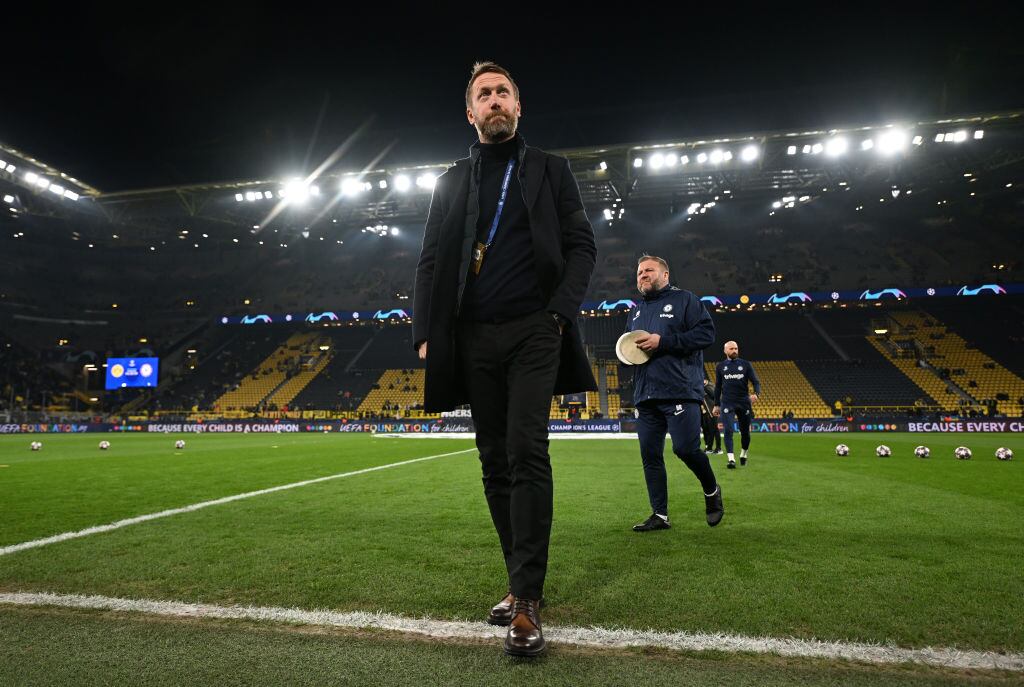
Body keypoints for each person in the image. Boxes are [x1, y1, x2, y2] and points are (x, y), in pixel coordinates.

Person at [412, 61, 597, 657]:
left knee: (525, 449)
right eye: (484, 94)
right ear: (471, 113)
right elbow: (430, 262)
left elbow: (581, 245)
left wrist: (559, 313)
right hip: (471, 336)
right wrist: (425, 332)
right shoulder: (449, 182)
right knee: (493, 460)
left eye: (503, 92)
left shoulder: (549, 169)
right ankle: (518, 584)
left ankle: (528, 602)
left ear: (518, 106)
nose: (494, 100)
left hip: (534, 331)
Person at [625, 255, 724, 532]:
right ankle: (660, 514)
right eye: (639, 272)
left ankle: (712, 490)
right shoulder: (635, 312)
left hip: (679, 389)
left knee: (685, 449)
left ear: (665, 275)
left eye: (649, 270)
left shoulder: (686, 300)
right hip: (646, 395)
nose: (643, 275)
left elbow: (706, 335)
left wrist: (663, 342)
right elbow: (630, 348)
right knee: (650, 456)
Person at [713, 340, 761, 468]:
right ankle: (731, 459)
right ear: (725, 351)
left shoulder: (745, 364)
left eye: (736, 348)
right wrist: (716, 404)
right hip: (727, 402)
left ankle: (743, 453)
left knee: (745, 432)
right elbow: (718, 387)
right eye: (731, 349)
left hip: (744, 402)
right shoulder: (720, 366)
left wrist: (756, 394)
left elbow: (756, 381)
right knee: (728, 430)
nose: (734, 351)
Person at [701, 377, 721, 453]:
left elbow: (715, 396)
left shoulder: (708, 387)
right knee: (711, 430)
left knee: (715, 430)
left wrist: (716, 407)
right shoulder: (707, 386)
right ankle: (710, 448)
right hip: (709, 411)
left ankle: (718, 448)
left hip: (712, 411)